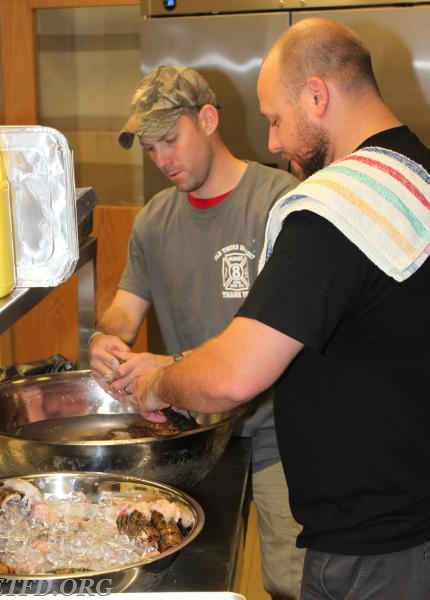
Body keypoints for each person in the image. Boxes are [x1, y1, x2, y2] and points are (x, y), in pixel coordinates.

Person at [124, 20, 430, 600]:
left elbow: (233, 376)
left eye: (275, 119)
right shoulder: (417, 172)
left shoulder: (337, 209)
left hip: (372, 552)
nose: (271, 142)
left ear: (317, 97)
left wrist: (159, 383)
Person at [88, 65, 304, 599]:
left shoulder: (281, 201)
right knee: (189, 578)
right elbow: (124, 309)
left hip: (282, 434)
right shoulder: (154, 220)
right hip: (190, 440)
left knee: (290, 581)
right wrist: (104, 340)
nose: (161, 159)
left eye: (169, 139)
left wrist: (171, 366)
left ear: (207, 119)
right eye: (149, 147)